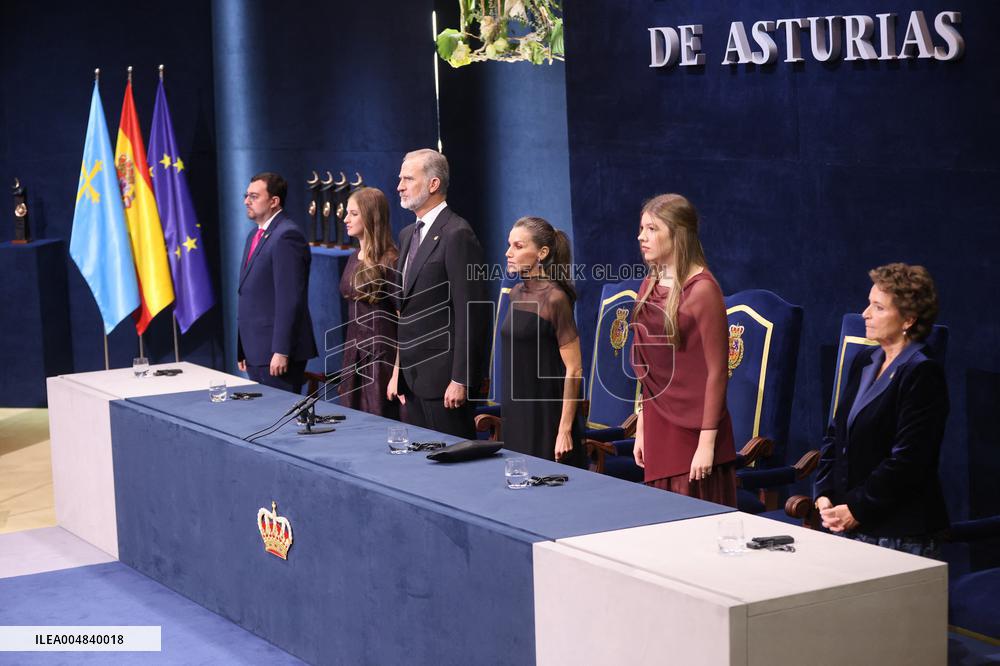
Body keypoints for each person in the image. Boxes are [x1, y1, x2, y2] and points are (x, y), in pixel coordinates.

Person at [814, 263, 948, 557]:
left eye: (878, 307)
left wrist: (857, 508)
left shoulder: (922, 373)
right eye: (868, 303)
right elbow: (836, 434)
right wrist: (824, 493)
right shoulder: (865, 360)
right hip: (846, 521)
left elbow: (908, 461)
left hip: (898, 532)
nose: (865, 313)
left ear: (908, 319)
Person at [630, 193, 737, 506]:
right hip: (659, 422)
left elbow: (717, 372)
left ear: (677, 234)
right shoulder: (649, 284)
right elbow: (647, 368)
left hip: (696, 430)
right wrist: (642, 426)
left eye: (652, 229)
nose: (641, 236)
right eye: (641, 228)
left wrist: (707, 442)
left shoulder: (703, 290)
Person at [387, 149, 489, 439]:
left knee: (453, 469)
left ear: (433, 184)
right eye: (400, 178)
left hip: (444, 381)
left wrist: (461, 378)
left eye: (408, 178)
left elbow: (472, 311)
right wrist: (399, 373)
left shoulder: (457, 233)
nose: (400, 186)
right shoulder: (408, 234)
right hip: (412, 378)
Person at [500, 216, 587, 467]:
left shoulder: (555, 299)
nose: (508, 253)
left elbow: (574, 368)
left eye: (518, 246)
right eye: (509, 245)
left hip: (545, 416)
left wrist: (565, 430)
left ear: (542, 252)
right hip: (516, 413)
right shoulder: (515, 293)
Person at [236, 172, 317, 393]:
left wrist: (281, 351)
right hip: (256, 350)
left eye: (253, 196)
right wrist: (242, 348)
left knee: (280, 421)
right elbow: (248, 294)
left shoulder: (287, 236)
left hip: (277, 353)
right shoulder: (255, 235)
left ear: (274, 201)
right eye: (246, 195)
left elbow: (290, 298)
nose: (246, 201)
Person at [337, 187, 400, 418]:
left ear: (371, 216)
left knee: (379, 421)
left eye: (353, 213)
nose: (345, 219)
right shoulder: (354, 257)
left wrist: (397, 374)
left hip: (382, 358)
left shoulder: (391, 260)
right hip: (353, 353)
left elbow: (404, 321)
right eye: (346, 213)